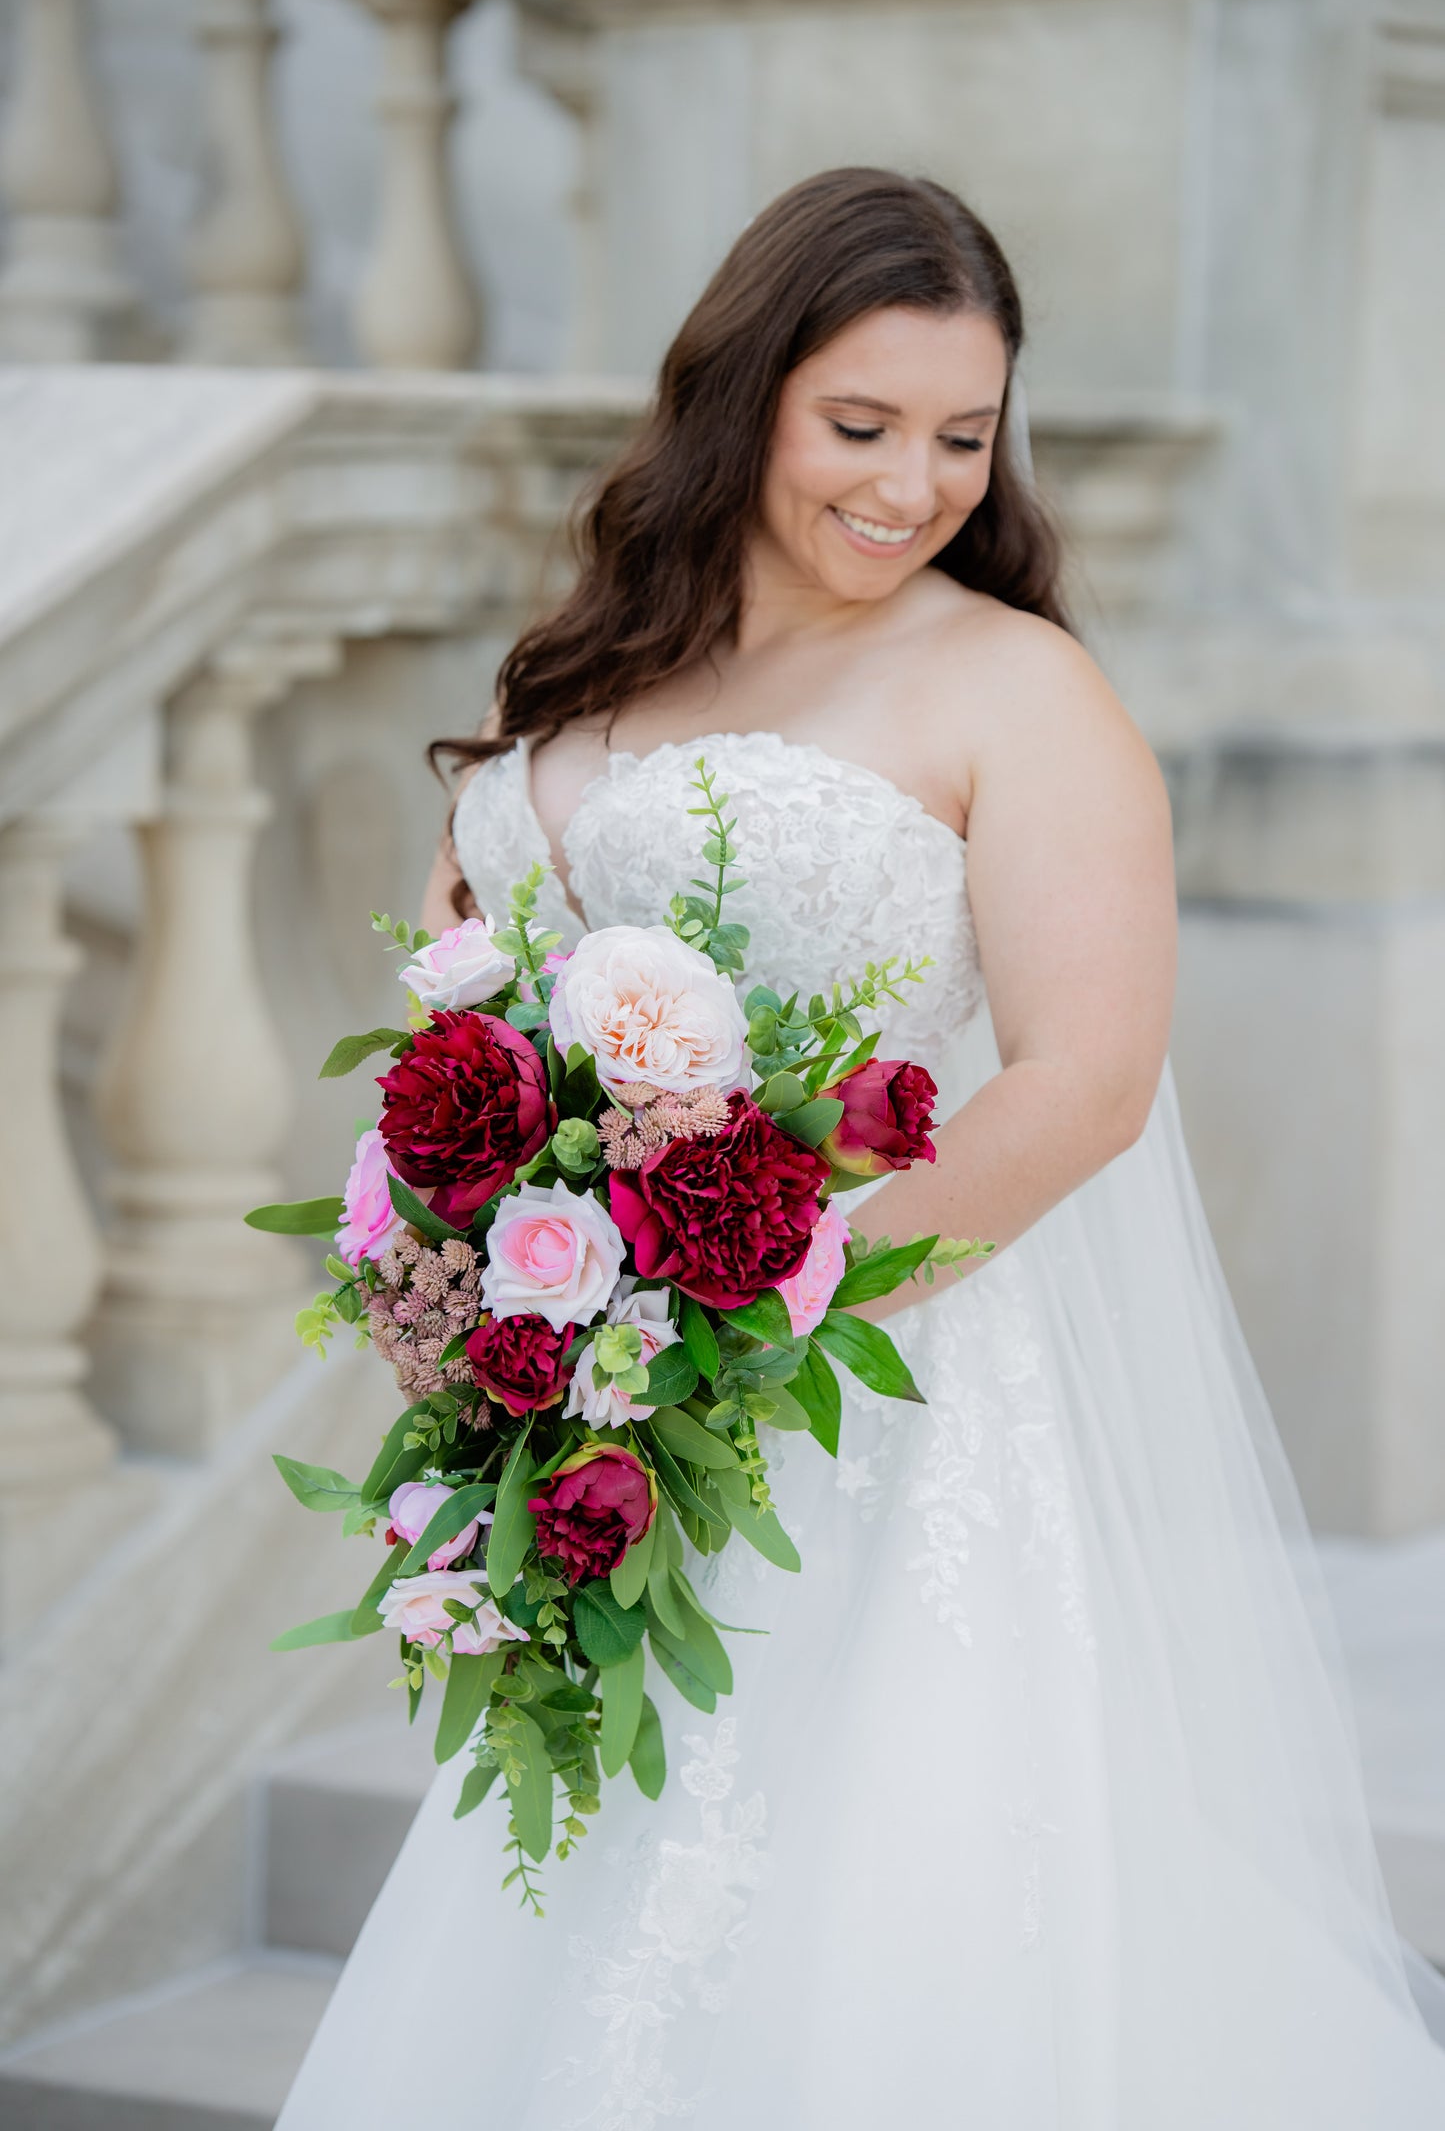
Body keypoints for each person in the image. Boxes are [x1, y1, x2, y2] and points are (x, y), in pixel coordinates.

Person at [277, 168, 1445, 2128]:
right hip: (593, 1405)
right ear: (741, 397)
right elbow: (453, 1001)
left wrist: (764, 1302)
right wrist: (470, 1284)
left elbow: (1085, 1082)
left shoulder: (1017, 688)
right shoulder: (566, 672)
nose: (915, 485)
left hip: (872, 1404)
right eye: (864, 427)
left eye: (963, 438)